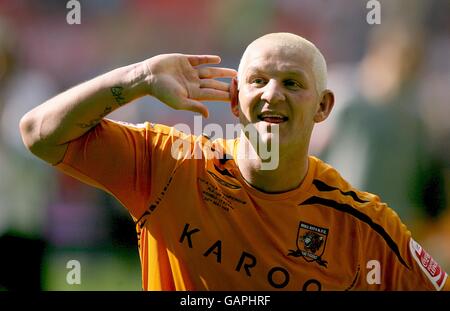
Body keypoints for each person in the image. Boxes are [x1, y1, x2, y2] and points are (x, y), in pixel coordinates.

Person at [19, 32, 449, 290]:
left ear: (323, 107)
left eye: (292, 83)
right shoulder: (170, 165)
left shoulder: (365, 228)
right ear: (235, 99)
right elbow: (39, 133)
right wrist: (140, 78)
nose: (271, 94)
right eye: (258, 81)